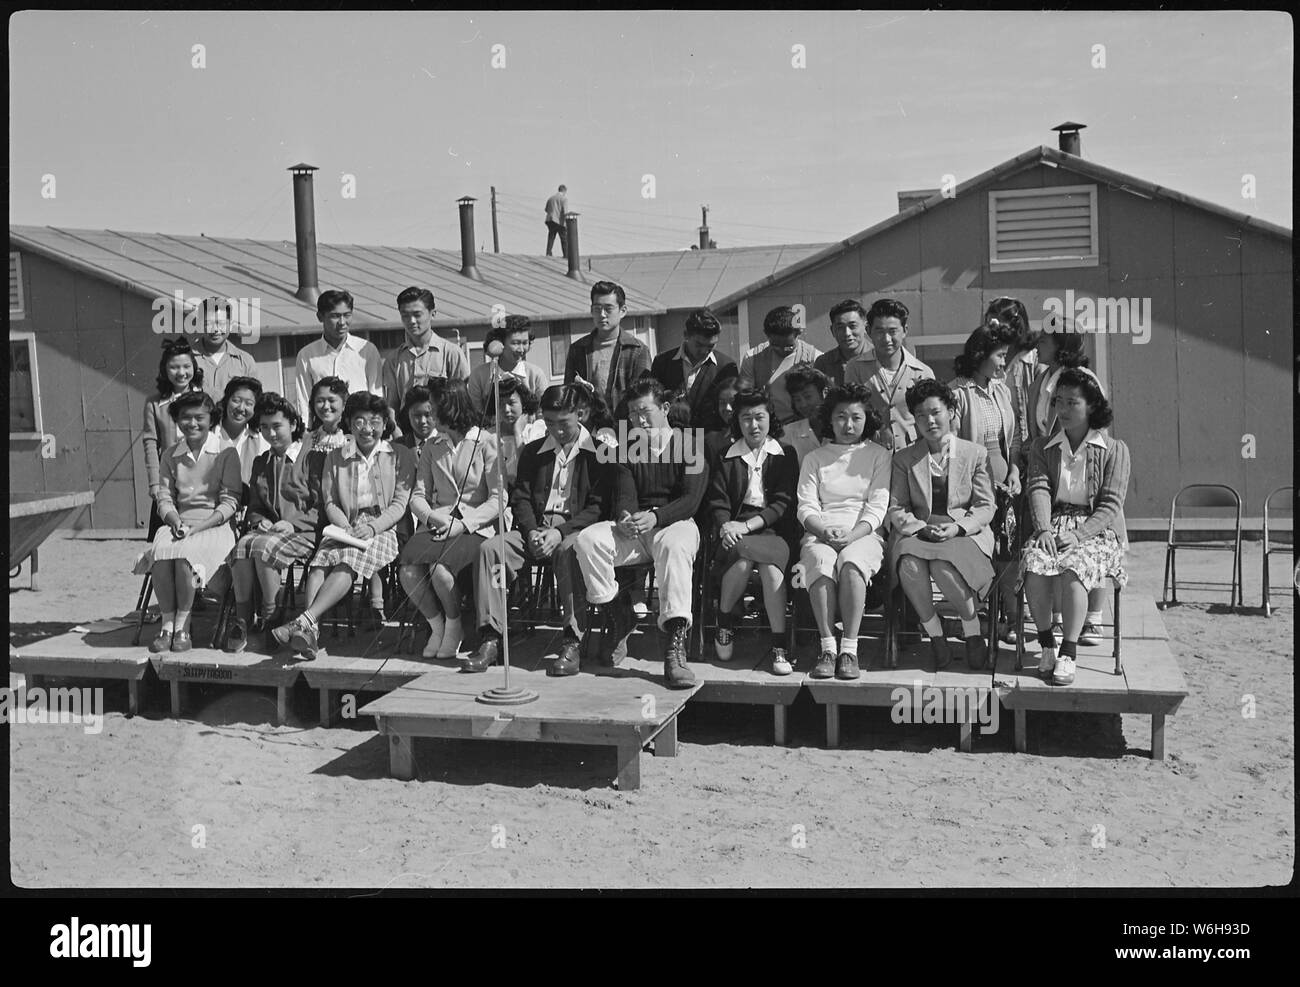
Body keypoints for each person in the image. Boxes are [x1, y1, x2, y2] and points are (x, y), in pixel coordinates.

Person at [463, 383, 619, 676]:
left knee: (568, 551)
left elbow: (599, 506)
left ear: (581, 414)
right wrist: (533, 530)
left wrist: (560, 532)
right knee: (491, 551)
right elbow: (520, 497)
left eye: (564, 423)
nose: (557, 431)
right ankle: (491, 637)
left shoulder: (600, 453)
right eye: (549, 423)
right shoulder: (533, 451)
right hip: (534, 529)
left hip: (574, 530)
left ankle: (572, 641)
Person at [573, 378, 705, 688]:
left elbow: (691, 500)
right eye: (632, 414)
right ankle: (618, 613)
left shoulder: (690, 444)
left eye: (645, 411)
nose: (639, 420)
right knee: (588, 540)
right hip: (637, 530)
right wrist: (624, 518)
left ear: (666, 409)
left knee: (674, 547)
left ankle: (674, 645)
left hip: (676, 525)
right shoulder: (627, 448)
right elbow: (625, 496)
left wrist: (656, 517)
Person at [273, 393, 415, 659]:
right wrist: (346, 526)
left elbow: (399, 504)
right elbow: (329, 502)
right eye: (359, 421)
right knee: (319, 564)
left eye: (374, 421)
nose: (367, 428)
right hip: (344, 524)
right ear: (349, 424)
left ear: (385, 424)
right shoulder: (336, 457)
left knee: (346, 562)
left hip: (383, 527)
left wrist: (372, 528)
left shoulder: (399, 454)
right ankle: (310, 634)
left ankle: (304, 622)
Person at [1021, 370, 1129, 686]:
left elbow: (1110, 505)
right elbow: (1037, 488)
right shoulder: (1044, 447)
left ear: (1092, 406)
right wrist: (1043, 530)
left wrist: (1079, 535)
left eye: (1073, 402)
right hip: (1053, 523)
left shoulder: (1115, 450)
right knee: (1034, 564)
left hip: (1097, 530)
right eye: (1059, 402)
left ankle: (1069, 652)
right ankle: (1046, 645)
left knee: (1073, 568)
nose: (1063, 410)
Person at [887, 380, 996, 670]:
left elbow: (986, 507)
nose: (929, 421)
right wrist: (919, 528)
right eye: (920, 415)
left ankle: (972, 634)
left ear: (951, 412)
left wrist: (958, 528)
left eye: (935, 412)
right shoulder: (904, 458)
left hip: (963, 531)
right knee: (909, 564)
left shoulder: (975, 454)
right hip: (920, 530)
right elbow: (897, 507)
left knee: (942, 567)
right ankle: (936, 636)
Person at [398, 380, 507, 660]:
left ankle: (455, 624)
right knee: (408, 572)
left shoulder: (486, 442)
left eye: (433, 409)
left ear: (450, 408)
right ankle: (438, 625)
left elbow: (498, 498)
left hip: (476, 526)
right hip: (439, 522)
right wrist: (432, 516)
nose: (429, 416)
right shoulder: (433, 446)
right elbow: (417, 496)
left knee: (439, 570)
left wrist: (463, 523)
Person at [132, 391, 241, 653]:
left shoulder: (226, 453)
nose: (192, 424)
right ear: (177, 421)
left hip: (215, 526)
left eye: (199, 418)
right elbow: (164, 497)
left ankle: (183, 623)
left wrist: (196, 529)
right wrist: (173, 520)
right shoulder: (170, 455)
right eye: (185, 418)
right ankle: (167, 625)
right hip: (177, 523)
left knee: (185, 556)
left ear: (211, 419)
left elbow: (229, 503)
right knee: (160, 552)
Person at [796, 383, 891, 681]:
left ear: (866, 419)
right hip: (820, 532)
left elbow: (878, 506)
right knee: (821, 564)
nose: (848, 425)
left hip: (863, 533)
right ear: (830, 418)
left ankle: (849, 649)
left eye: (855, 417)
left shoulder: (878, 454)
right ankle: (827, 648)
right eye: (840, 417)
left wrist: (851, 536)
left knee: (851, 564)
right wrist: (824, 532)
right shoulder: (815, 458)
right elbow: (806, 507)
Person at [1024, 323, 1109, 645]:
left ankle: (1094, 619)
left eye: (1044, 341)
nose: (1038, 346)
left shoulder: (1083, 379)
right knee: (1049, 545)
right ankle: (1059, 618)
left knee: (1092, 540)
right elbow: (1035, 425)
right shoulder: (1042, 378)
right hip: (1048, 463)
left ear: (1061, 343)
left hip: (1083, 467)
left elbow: (1097, 424)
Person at [706, 388, 798, 676]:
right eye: (746, 418)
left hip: (772, 530)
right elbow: (717, 501)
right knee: (744, 561)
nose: (754, 425)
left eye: (760, 417)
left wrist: (745, 527)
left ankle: (779, 646)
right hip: (733, 528)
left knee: (770, 570)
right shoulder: (725, 456)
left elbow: (783, 503)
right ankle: (724, 624)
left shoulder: (785, 454)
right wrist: (725, 526)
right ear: (738, 421)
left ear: (771, 418)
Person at [225, 393, 320, 654]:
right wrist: (261, 519)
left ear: (292, 423)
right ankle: (243, 619)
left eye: (277, 425)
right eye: (264, 427)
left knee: (263, 548)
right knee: (243, 546)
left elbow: (321, 504)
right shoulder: (261, 462)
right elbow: (255, 505)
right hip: (272, 532)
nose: (271, 433)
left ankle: (271, 616)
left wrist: (294, 523)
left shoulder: (310, 457)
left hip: (305, 531)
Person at [949, 321, 1021, 642]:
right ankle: (981, 619)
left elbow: (1014, 439)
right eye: (1000, 355)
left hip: (1005, 489)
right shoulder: (956, 393)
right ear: (981, 354)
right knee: (981, 553)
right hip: (974, 493)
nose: (1005, 363)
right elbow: (950, 450)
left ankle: (1011, 617)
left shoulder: (1001, 391)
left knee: (1008, 552)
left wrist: (1015, 472)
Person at [846, 297, 935, 451]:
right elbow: (851, 410)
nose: (886, 339)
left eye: (892, 331)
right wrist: (878, 428)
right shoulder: (855, 367)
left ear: (905, 330)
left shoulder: (922, 372)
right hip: (869, 453)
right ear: (869, 331)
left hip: (913, 454)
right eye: (879, 331)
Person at [143, 338, 206, 539]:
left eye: (186, 366)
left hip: (200, 480)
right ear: (164, 369)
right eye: (174, 367)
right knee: (164, 541)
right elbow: (151, 443)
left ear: (194, 368)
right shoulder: (154, 403)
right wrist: (154, 484)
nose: (181, 373)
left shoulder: (205, 399)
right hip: (168, 480)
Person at [564, 281, 652, 420]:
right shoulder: (578, 349)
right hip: (588, 427)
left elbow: (643, 397)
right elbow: (568, 394)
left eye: (608, 309)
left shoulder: (637, 350)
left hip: (626, 427)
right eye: (597, 309)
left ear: (622, 311)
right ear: (591, 310)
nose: (602, 314)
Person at [293, 289, 384, 422]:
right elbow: (303, 400)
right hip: (323, 430)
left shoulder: (367, 351)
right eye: (335, 316)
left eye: (347, 315)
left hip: (360, 428)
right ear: (320, 316)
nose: (342, 322)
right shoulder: (306, 355)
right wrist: (305, 434)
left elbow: (377, 396)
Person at [382, 287, 471, 418]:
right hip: (407, 434)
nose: (411, 321)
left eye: (417, 315)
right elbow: (392, 405)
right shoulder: (394, 359)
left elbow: (462, 402)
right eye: (405, 315)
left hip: (444, 432)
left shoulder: (451, 353)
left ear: (432, 314)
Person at [649, 307, 738, 431]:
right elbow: (654, 403)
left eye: (711, 346)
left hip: (710, 442)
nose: (704, 351)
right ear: (686, 335)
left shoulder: (726, 367)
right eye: (699, 345)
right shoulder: (662, 362)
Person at [737, 305, 821, 424]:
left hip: (805, 427)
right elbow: (745, 398)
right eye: (775, 345)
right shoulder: (752, 358)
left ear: (799, 333)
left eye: (788, 346)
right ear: (766, 335)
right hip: (768, 428)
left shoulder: (815, 358)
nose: (782, 350)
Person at [984, 296, 1038, 460]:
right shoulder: (987, 361)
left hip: (1032, 448)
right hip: (1001, 449)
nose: (995, 330)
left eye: (999, 324)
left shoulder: (1033, 359)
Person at [467, 315, 548, 418]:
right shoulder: (479, 376)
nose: (521, 349)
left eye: (525, 343)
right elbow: (475, 414)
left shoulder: (536, 374)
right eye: (515, 343)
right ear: (499, 343)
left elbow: (544, 414)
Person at [193, 296, 258, 404]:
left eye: (221, 323)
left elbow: (255, 402)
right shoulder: (187, 359)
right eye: (208, 324)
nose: (215, 329)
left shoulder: (245, 362)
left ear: (231, 325)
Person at [484, 375, 545, 485]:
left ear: (523, 402)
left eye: (511, 403)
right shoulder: (489, 436)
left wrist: (518, 434)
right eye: (501, 405)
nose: (506, 410)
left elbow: (529, 469)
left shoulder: (536, 431)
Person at [216, 376, 270, 488]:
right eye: (236, 401)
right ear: (226, 401)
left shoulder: (261, 439)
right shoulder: (211, 434)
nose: (241, 408)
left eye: (249, 404)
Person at [813, 299, 874, 385]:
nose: (847, 333)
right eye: (840, 327)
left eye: (852, 326)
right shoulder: (824, 363)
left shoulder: (879, 357)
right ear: (832, 331)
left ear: (865, 327)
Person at [781, 362, 830, 464]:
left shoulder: (842, 429)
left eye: (808, 396)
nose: (803, 404)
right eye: (797, 399)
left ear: (824, 393)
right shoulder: (789, 433)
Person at [544, 184, 569, 257]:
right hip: (559, 221)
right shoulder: (564, 199)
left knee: (551, 236)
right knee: (563, 238)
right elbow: (565, 212)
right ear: (564, 191)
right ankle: (566, 255)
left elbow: (546, 210)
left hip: (549, 220)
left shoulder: (550, 198)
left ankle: (548, 253)